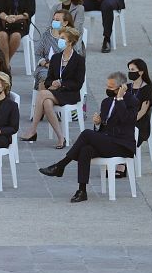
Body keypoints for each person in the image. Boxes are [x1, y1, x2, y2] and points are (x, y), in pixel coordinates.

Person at [39, 72, 138, 202]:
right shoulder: (106, 102)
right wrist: (98, 123)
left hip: (122, 144)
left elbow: (126, 119)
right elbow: (103, 128)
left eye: (111, 87)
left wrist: (120, 99)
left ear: (121, 87)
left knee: (86, 133)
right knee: (85, 150)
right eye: (107, 85)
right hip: (108, 141)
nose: (108, 89)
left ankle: (61, 165)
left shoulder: (132, 101)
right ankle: (82, 191)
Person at [22, 27, 85, 148]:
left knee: (42, 94)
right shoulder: (56, 58)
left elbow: (78, 83)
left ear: (70, 42)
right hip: (55, 92)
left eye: (63, 38)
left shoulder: (79, 60)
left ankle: (33, 130)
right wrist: (53, 83)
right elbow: (48, 80)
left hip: (70, 93)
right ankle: (61, 137)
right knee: (46, 102)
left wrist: (62, 83)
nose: (59, 41)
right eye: (59, 38)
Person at [30, 9, 79, 99]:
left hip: (64, 69)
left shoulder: (70, 38)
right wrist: (46, 64)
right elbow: (38, 54)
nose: (54, 22)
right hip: (46, 67)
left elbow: (75, 57)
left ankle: (48, 101)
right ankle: (45, 101)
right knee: (44, 77)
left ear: (65, 23)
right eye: (54, 19)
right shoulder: (46, 35)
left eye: (57, 20)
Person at [125, 59, 152, 177]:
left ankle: (122, 164)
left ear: (141, 72)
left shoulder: (148, 88)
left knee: (124, 131)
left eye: (133, 70)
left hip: (140, 122)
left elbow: (143, 111)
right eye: (129, 70)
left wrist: (129, 121)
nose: (130, 72)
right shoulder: (127, 87)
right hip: (127, 118)